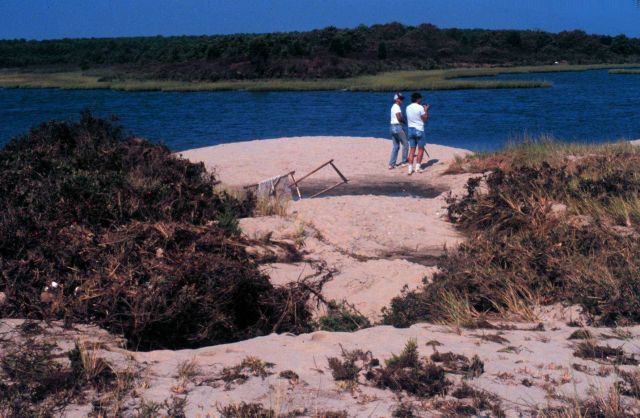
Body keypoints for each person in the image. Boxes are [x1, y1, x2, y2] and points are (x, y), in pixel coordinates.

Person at [405, 92, 430, 175]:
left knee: (412, 149)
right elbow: (425, 119)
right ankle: (417, 168)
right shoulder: (420, 107)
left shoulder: (407, 107)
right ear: (418, 99)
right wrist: (426, 110)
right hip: (419, 129)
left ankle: (409, 169)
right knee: (421, 149)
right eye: (420, 99)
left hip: (410, 130)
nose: (421, 100)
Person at [388, 93, 409, 169]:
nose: (401, 100)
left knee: (396, 146)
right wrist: (406, 122)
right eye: (400, 99)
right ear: (396, 99)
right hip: (397, 126)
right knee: (406, 144)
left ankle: (391, 164)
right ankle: (404, 162)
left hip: (392, 127)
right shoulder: (396, 107)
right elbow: (399, 118)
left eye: (402, 99)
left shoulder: (393, 107)